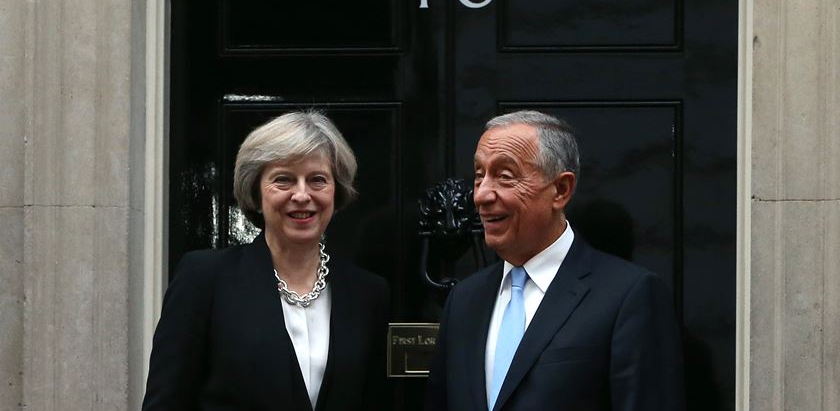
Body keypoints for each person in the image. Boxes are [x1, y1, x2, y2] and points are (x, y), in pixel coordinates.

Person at [425, 110, 684, 410]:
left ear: (560, 190)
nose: (482, 195)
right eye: (479, 175)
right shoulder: (464, 300)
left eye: (504, 176)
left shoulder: (628, 296)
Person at [142, 110, 389, 411]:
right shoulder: (204, 279)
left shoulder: (368, 294)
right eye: (283, 180)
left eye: (317, 180)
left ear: (336, 193)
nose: (302, 194)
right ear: (256, 193)